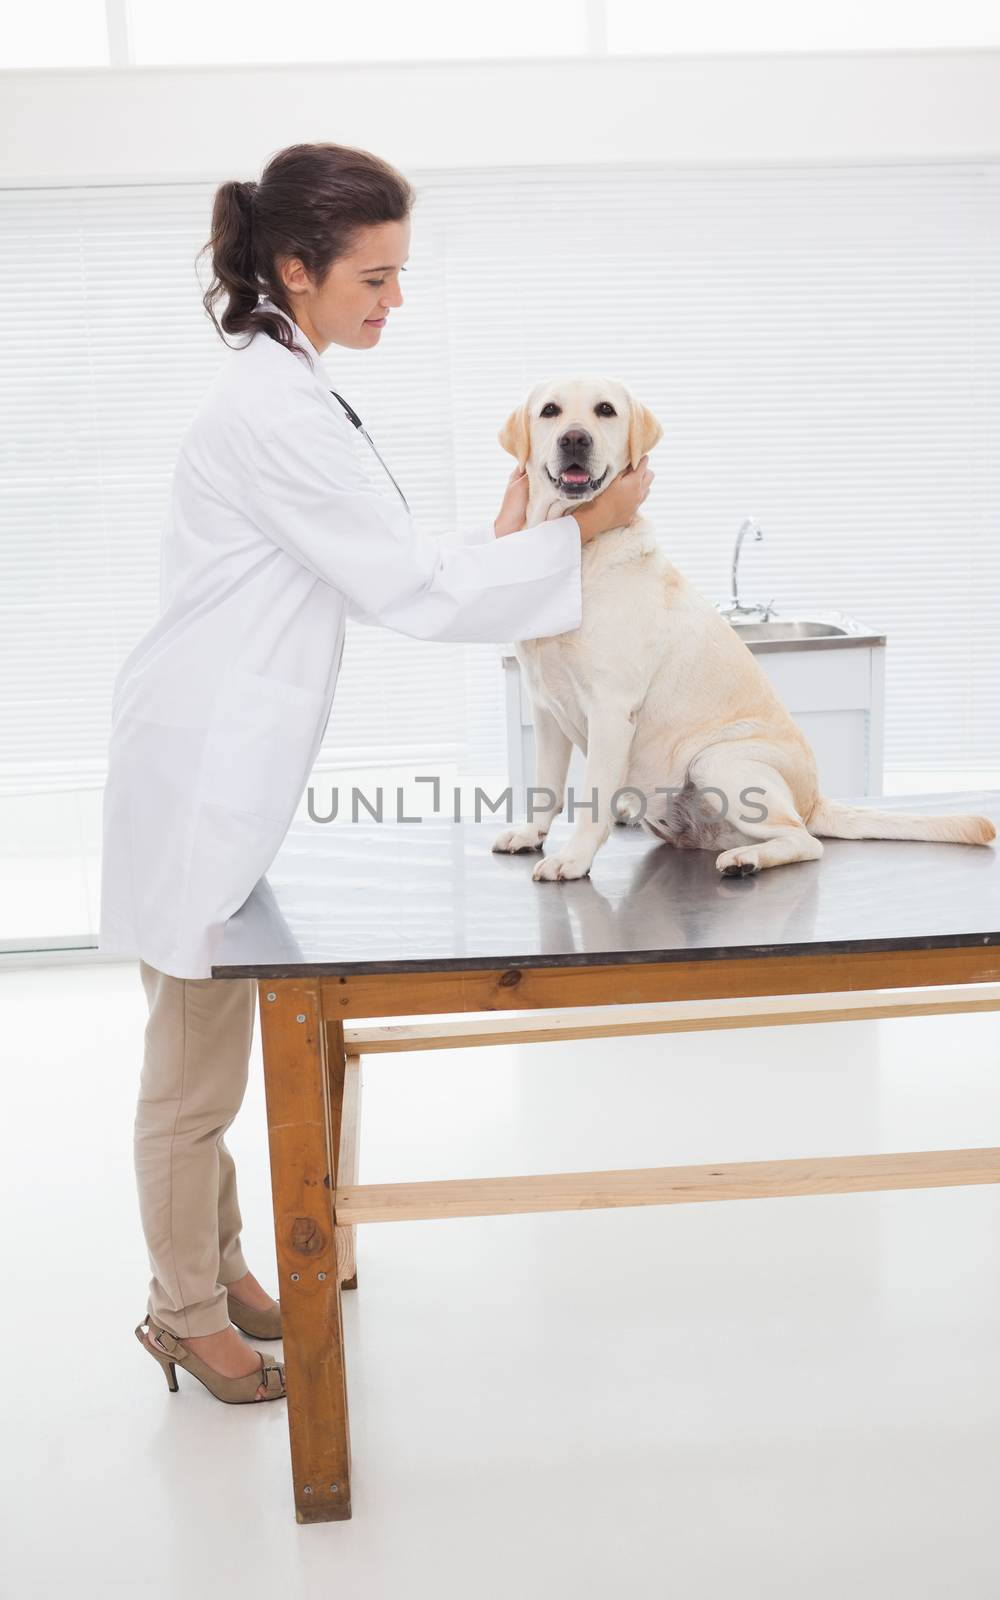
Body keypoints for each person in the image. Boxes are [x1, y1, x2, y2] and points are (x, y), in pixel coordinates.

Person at [99, 141, 654, 1404]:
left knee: (208, 1045)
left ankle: (222, 1267)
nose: (395, 302)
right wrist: (586, 527)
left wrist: (521, 539)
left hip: (211, 753)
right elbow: (405, 586)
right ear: (296, 269)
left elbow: (391, 554)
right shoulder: (269, 410)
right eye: (378, 277)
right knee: (190, 1073)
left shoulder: (285, 386)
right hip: (196, 766)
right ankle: (183, 1310)